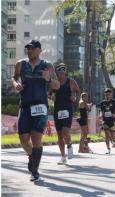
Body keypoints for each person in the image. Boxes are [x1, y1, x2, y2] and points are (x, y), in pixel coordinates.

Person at [12, 40, 60, 181]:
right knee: (23, 139)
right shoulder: (20, 64)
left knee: (36, 138)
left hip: (40, 107)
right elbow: (14, 77)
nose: (29, 51)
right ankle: (32, 156)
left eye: (32, 49)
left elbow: (56, 85)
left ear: (39, 50)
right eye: (28, 49)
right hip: (24, 106)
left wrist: (49, 78)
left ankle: (34, 171)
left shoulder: (47, 66)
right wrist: (16, 84)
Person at [52, 63, 80, 164]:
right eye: (59, 72)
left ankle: (69, 145)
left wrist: (75, 97)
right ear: (57, 73)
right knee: (59, 135)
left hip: (67, 110)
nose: (61, 74)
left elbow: (77, 91)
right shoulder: (54, 83)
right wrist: (51, 97)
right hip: (57, 111)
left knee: (65, 131)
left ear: (65, 72)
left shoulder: (71, 82)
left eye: (63, 72)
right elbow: (49, 93)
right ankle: (63, 157)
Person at [100, 88, 115, 154]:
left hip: (113, 121)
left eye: (108, 95)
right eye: (106, 95)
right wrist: (101, 117)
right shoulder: (102, 103)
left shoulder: (114, 102)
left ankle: (114, 140)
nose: (107, 96)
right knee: (106, 135)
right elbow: (102, 112)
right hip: (105, 121)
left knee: (112, 135)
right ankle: (108, 149)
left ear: (111, 95)